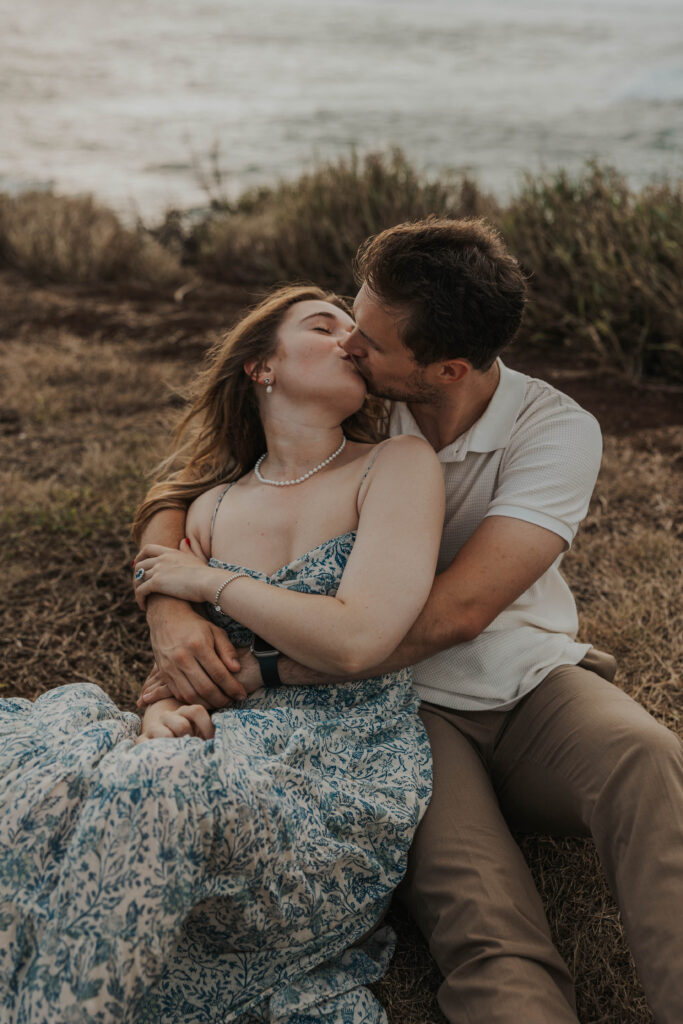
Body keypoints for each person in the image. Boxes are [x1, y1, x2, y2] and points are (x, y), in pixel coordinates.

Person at [140, 219, 683, 1024]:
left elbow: (458, 615)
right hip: (401, 713)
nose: (350, 343)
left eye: (368, 340)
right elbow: (182, 494)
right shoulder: (354, 410)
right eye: (349, 320)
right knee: (483, 913)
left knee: (649, 761)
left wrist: (269, 671)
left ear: (446, 369)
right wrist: (168, 610)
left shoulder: (553, 429)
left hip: (523, 678)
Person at [0, 285, 446, 1024]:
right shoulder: (210, 506)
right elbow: (183, 669)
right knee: (45, 774)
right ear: (261, 367)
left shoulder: (394, 464)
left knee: (154, 787)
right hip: (223, 737)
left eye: (355, 328)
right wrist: (163, 711)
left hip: (338, 765)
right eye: (323, 323)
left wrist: (209, 579)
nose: (350, 337)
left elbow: (356, 638)